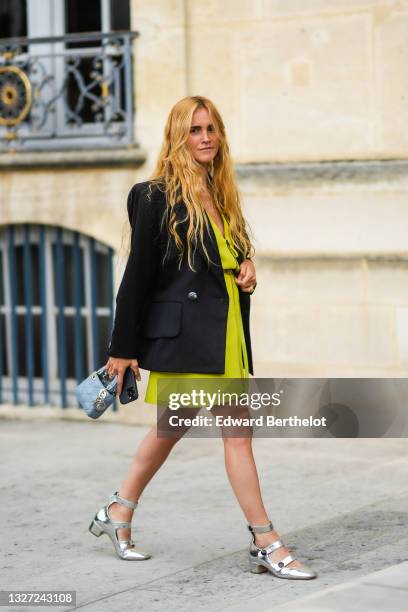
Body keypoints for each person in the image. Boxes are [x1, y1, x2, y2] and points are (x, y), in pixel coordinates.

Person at [88, 96, 317, 579]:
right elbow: (137, 278)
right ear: (178, 136)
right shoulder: (154, 196)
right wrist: (121, 351)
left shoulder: (219, 191)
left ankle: (118, 511)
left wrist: (247, 264)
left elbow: (226, 256)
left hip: (226, 332)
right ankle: (265, 540)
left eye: (211, 128)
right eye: (194, 130)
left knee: (172, 430)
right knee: (233, 436)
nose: (205, 137)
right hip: (189, 337)